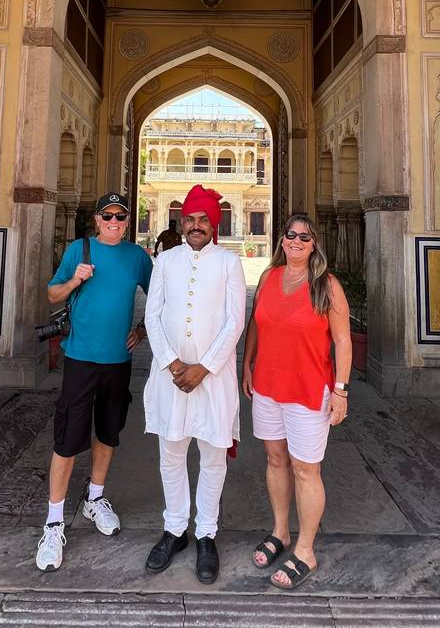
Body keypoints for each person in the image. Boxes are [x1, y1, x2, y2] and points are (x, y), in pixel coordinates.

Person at [35, 192, 153, 572]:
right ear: (98, 220)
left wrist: (144, 328)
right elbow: (52, 292)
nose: (115, 222)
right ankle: (54, 522)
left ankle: (95, 499)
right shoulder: (79, 250)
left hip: (118, 361)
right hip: (80, 359)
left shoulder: (137, 257)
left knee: (108, 433)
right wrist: (74, 280)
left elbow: (161, 298)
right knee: (68, 438)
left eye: (121, 216)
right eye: (108, 216)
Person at [242, 213, 351, 590]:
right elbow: (256, 324)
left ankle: (305, 550)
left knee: (307, 469)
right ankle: (280, 533)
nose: (297, 241)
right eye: (291, 234)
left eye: (305, 237)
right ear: (282, 239)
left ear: (314, 243)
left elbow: (342, 341)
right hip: (269, 387)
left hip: (308, 391)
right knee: (275, 458)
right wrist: (247, 364)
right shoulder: (269, 278)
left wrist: (340, 390)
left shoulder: (327, 285)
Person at [143, 184, 246, 584]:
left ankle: (206, 534)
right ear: (181, 222)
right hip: (170, 378)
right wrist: (172, 364)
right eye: (190, 219)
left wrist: (202, 367)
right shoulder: (166, 262)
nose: (196, 225)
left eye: (204, 219)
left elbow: (234, 322)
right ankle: (174, 530)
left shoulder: (228, 262)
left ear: (213, 223)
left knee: (212, 456)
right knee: (171, 453)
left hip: (212, 379)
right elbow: (153, 316)